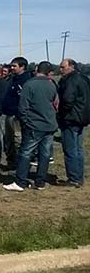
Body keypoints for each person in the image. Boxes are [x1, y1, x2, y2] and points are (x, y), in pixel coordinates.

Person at [3, 61, 58, 191]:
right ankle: (40, 182)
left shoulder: (30, 84)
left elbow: (23, 107)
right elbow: (56, 104)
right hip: (49, 125)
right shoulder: (52, 85)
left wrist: (25, 122)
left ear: (37, 69)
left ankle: (20, 182)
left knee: (25, 152)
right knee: (44, 154)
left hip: (34, 124)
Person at [56, 58, 90, 187]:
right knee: (78, 149)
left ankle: (74, 178)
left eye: (63, 67)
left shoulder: (70, 80)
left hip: (71, 118)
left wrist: (61, 114)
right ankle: (79, 176)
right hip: (82, 117)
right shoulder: (84, 78)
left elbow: (68, 100)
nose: (60, 70)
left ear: (72, 67)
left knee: (70, 149)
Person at [2, 57, 33, 168]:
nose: (11, 68)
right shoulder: (13, 78)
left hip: (17, 116)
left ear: (22, 67)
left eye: (14, 66)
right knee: (8, 140)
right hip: (8, 114)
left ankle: (21, 164)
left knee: (17, 140)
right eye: (11, 66)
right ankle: (11, 162)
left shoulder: (26, 80)